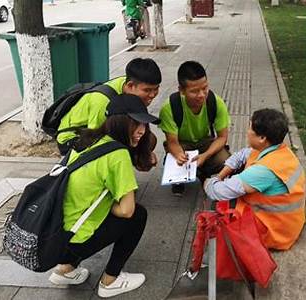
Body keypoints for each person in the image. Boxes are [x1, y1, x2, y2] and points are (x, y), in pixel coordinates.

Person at [48, 94, 160, 298]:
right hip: (75, 241)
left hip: (54, 235)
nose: (142, 131)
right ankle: (111, 281)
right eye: (135, 124)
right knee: (137, 215)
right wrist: (106, 204)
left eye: (144, 125)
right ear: (119, 122)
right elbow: (127, 211)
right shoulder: (118, 155)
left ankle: (65, 270)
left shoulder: (87, 138)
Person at [203, 109, 306, 250]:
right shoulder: (278, 150)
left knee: (214, 206)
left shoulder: (263, 171)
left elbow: (218, 192)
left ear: (262, 138)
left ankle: (217, 255)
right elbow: (242, 155)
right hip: (287, 221)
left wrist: (210, 182)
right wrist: (222, 174)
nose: (247, 131)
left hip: (274, 231)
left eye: (250, 127)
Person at [56, 57, 161, 170]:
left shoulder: (129, 85)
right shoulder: (102, 101)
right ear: (130, 85)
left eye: (156, 89)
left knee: (149, 139)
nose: (152, 95)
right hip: (75, 139)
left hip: (99, 133)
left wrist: (144, 153)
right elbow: (94, 140)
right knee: (118, 150)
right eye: (147, 90)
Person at [159, 61, 231, 196]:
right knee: (176, 161)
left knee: (224, 159)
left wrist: (205, 155)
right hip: (183, 144)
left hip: (205, 142)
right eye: (194, 91)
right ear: (181, 90)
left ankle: (204, 170)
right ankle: (178, 180)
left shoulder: (215, 102)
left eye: (205, 88)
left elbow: (222, 137)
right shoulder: (169, 107)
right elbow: (172, 142)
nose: (201, 95)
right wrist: (179, 155)